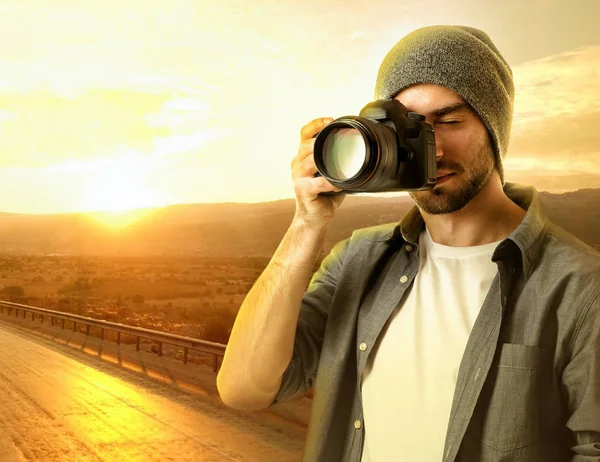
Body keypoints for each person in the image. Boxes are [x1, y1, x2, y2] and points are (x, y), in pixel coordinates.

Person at [216, 25, 600, 462]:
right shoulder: (356, 263)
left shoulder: (582, 288)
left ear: (495, 131)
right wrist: (306, 223)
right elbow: (243, 390)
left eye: (448, 121)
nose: (429, 150)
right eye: (406, 129)